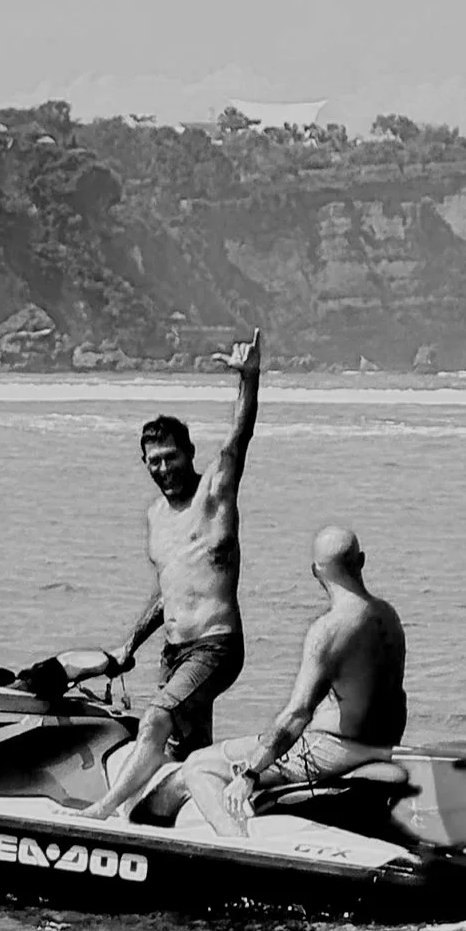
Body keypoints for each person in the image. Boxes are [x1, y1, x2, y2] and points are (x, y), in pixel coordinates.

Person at [72, 330, 262, 821]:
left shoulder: (214, 496)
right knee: (185, 748)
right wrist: (128, 646)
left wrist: (249, 380)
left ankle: (107, 811)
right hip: (174, 651)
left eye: (171, 457)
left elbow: (239, 440)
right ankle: (206, 816)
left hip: (217, 645)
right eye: (154, 461)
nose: (163, 468)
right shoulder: (156, 518)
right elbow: (168, 592)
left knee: (155, 718)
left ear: (189, 453)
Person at [181, 525, 406, 837]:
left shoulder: (328, 630)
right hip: (383, 746)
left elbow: (297, 715)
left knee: (198, 765)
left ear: (316, 571)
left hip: (333, 751)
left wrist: (250, 772)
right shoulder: (389, 617)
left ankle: (238, 849)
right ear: (362, 561)